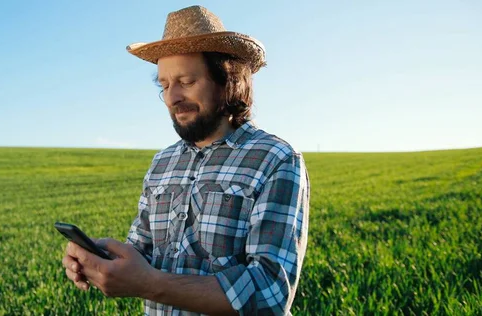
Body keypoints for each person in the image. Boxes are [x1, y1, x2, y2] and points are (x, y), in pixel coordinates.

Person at [62, 5, 310, 315]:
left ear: (228, 80)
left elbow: (269, 292)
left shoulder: (275, 159)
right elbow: (143, 253)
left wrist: (148, 284)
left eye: (187, 82)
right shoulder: (162, 163)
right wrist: (97, 259)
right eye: (164, 85)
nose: (171, 97)